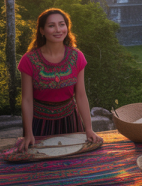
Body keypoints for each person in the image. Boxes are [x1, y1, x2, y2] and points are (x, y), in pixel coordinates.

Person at [18, 8, 102, 151]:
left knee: (74, 164)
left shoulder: (77, 57)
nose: (58, 29)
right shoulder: (29, 60)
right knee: (41, 165)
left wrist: (88, 129)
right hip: (39, 123)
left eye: (61, 24)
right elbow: (26, 99)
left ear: (67, 28)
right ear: (42, 31)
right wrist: (28, 133)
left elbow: (80, 95)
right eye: (51, 26)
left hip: (70, 121)